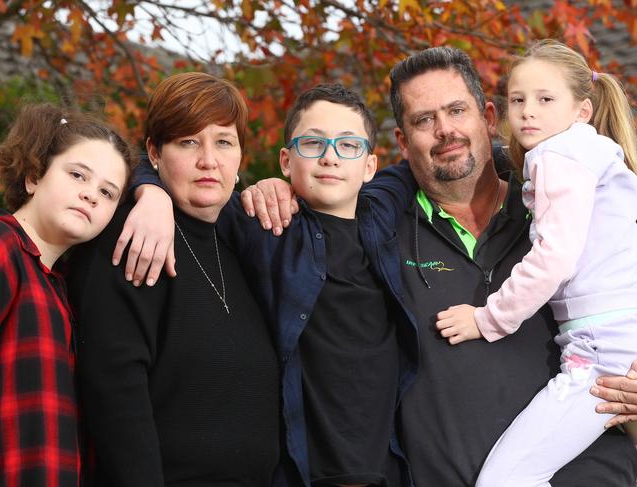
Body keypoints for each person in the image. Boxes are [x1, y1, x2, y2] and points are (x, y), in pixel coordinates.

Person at [241, 47, 637, 485]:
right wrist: (159, 190)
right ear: (403, 143)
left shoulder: (562, 205)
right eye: (424, 120)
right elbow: (321, 194)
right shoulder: (377, 232)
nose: (445, 130)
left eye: (456, 110)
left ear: (488, 116)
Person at [124, 84, 419, 486]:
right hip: (299, 471)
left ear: (370, 166)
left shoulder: (381, 212)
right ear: (285, 160)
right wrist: (151, 192)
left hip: (387, 469)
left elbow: (431, 156)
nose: (330, 156)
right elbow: (172, 166)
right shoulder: (263, 224)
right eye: (313, 143)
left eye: (348, 145)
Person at [429, 40, 637, 486]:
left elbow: (553, 257)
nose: (527, 112)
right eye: (517, 100)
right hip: (618, 336)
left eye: (545, 100)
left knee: (506, 479)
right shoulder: (594, 155)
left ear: (582, 110)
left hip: (602, 349)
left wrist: (489, 319)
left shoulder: (558, 157)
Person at [66, 72, 280, 486]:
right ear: (154, 153)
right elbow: (115, 396)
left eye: (223, 141)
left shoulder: (243, 243)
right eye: (187, 142)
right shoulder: (135, 239)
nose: (208, 160)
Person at [0, 103, 135, 486]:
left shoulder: (61, 287)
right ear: (35, 175)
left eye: (107, 192)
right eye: (77, 175)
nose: (90, 195)